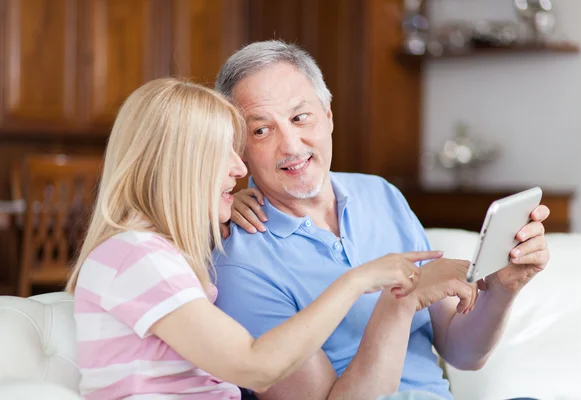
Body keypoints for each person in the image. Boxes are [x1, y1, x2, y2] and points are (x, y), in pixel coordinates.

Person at [212, 40, 550, 400]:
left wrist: (502, 290)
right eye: (262, 130)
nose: (291, 145)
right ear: (239, 148)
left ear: (328, 116)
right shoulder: (240, 263)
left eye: (300, 117)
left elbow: (463, 352)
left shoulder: (379, 195)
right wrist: (401, 301)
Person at [65, 77, 439, 399]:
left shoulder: (157, 255)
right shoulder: (137, 256)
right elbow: (256, 366)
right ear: (176, 165)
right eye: (220, 153)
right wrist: (357, 280)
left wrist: (221, 206)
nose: (239, 167)